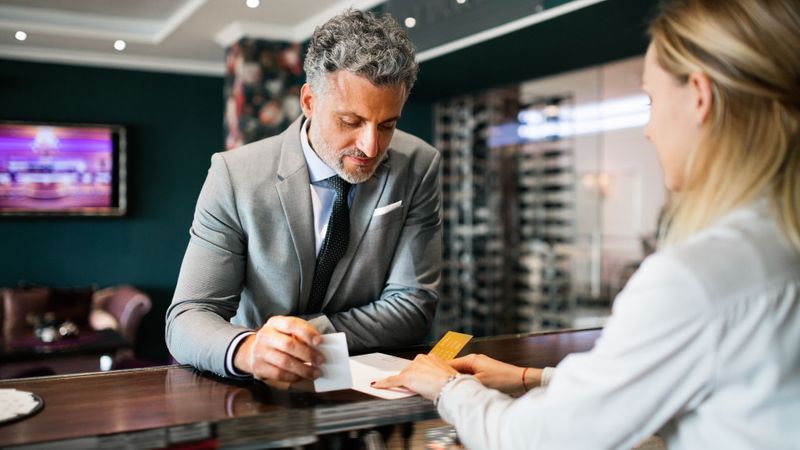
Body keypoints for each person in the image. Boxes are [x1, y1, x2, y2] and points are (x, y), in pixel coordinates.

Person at [374, 0, 800, 448]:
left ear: (699, 96)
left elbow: (534, 439)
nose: (648, 129)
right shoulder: (776, 245)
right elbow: (670, 381)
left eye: (651, 100)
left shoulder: (697, 278)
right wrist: (529, 376)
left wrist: (447, 387)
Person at [166, 9, 442, 383]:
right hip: (255, 389)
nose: (371, 145)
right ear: (309, 102)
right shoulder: (234, 175)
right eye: (351, 122)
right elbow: (187, 318)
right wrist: (250, 348)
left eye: (387, 124)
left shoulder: (419, 165)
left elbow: (413, 307)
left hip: (369, 392)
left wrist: (301, 337)